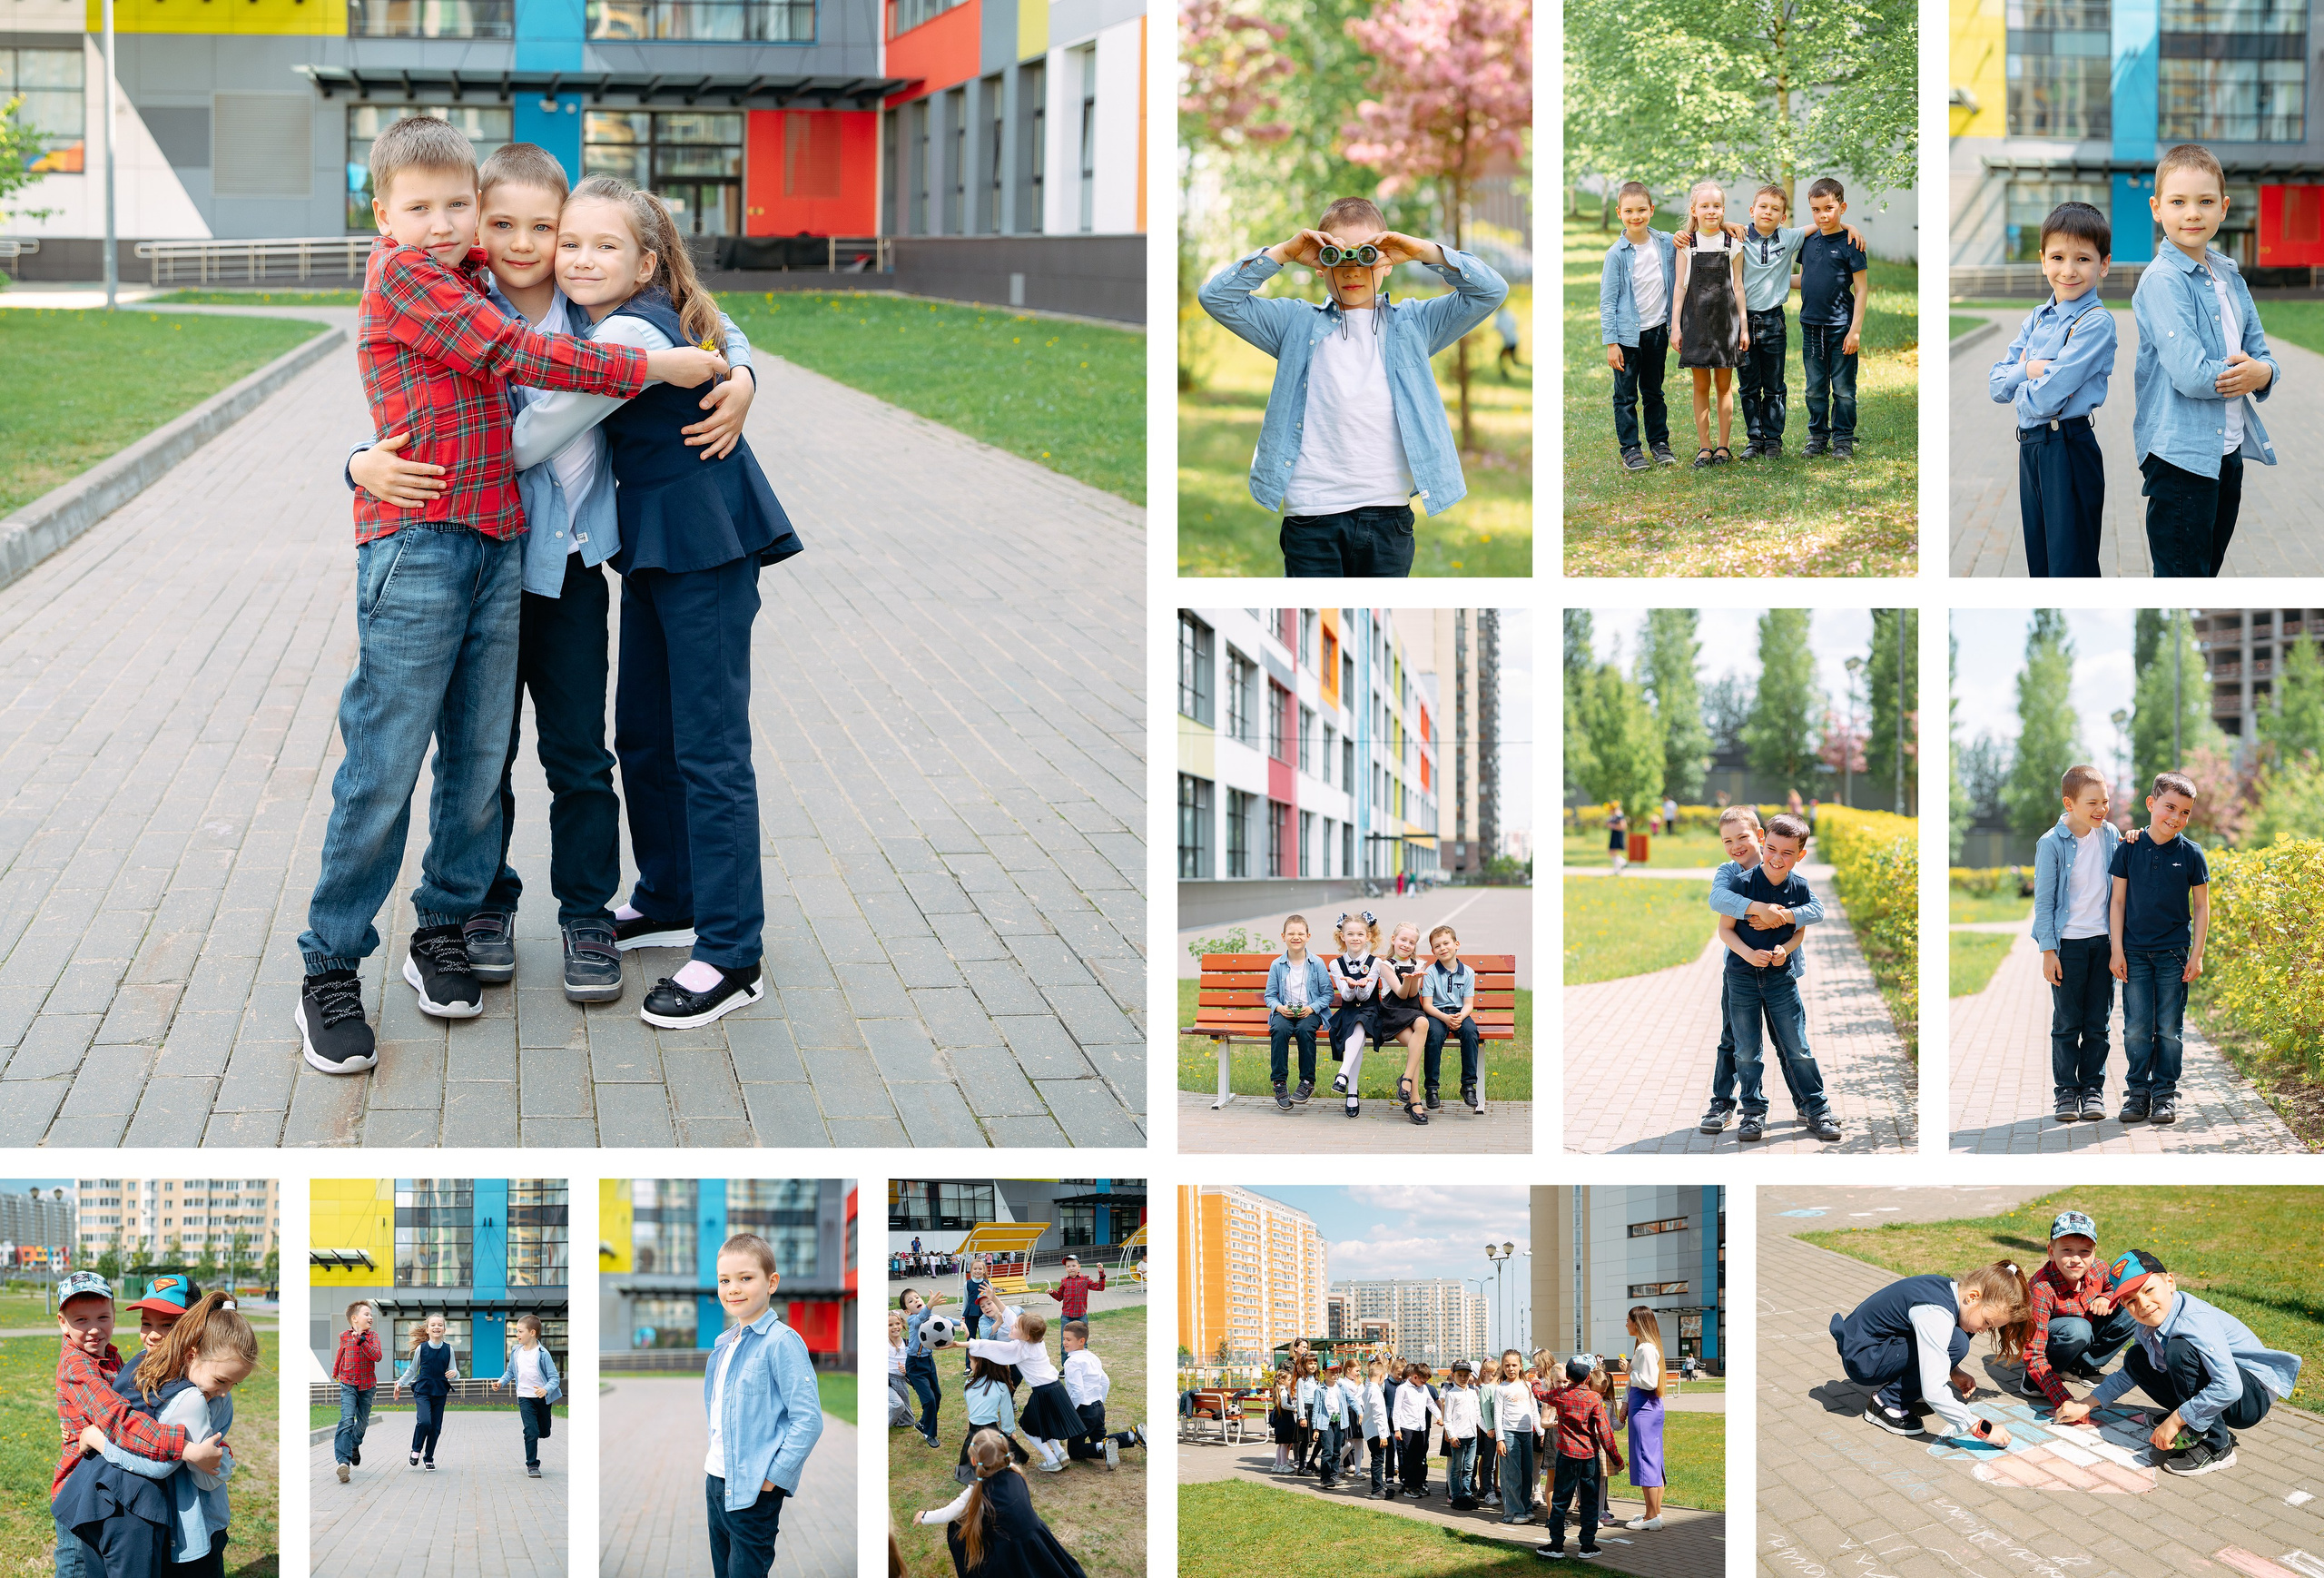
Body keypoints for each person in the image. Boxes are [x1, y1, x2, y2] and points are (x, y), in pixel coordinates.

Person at [293, 115, 724, 1074]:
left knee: (481, 756)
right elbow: (516, 358)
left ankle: (444, 926)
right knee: (387, 761)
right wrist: (652, 368)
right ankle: (329, 966)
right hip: (420, 543)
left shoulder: (478, 275)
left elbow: (673, 301)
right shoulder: (412, 277)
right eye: (425, 208)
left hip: (505, 544)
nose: (445, 224)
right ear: (382, 214)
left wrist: (742, 372)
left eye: (458, 207)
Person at [511, 176, 803, 1030]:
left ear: (646, 261)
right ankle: (670, 893)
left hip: (703, 545)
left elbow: (535, 435)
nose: (580, 259)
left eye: (605, 246)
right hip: (654, 550)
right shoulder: (616, 320)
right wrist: (743, 366)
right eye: (571, 243)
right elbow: (722, 333)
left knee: (708, 747)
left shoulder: (630, 333)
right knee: (643, 731)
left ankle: (732, 951)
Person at [1196, 196, 1509, 577]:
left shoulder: (1415, 323)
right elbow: (1217, 298)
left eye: (1367, 256)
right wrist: (1284, 253)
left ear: (1388, 262)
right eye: (1337, 256)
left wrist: (1425, 250)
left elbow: (1491, 291)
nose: (1351, 270)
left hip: (1388, 513)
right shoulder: (1294, 323)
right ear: (1319, 264)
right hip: (1312, 512)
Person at [2132, 143, 2280, 577]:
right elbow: (2191, 375)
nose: (2192, 213)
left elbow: (2263, 354)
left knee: (2206, 573)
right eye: (2178, 202)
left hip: (2226, 450)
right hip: (2181, 456)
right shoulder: (2163, 280)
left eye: (2205, 202)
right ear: (2157, 208)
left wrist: (2265, 372)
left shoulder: (2229, 275)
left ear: (2223, 208)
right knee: (2183, 576)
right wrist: (2251, 374)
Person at [59, 1290, 256, 1578]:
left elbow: (204, 1453)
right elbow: (148, 1448)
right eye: (147, 1323)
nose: (154, 1336)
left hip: (153, 1511)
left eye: (167, 1325)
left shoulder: (152, 1372)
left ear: (192, 1333)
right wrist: (199, 1455)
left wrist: (218, 1456)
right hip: (150, 1513)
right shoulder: (179, 1391)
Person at [2055, 1249, 2301, 1475]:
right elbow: (2130, 1373)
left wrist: (2176, 1420)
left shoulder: (2194, 1320)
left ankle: (2217, 1446)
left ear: (2170, 1282)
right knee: (2136, 1359)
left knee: (2180, 1352)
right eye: (2131, 1301)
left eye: (2148, 1290)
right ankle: (2194, 1420)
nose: (2143, 1304)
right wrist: (2087, 1404)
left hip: (2249, 1399)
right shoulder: (2146, 1325)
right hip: (2229, 1391)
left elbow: (2231, 1386)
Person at [1989, 202, 2116, 577]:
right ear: (2043, 260)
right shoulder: (2037, 317)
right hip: (2031, 449)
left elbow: (2045, 400)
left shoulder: (2096, 323)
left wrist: (2021, 383)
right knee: (2041, 567)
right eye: (2058, 257)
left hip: (2068, 450)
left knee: (2069, 568)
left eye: (2083, 259)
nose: (2069, 270)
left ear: (2103, 265)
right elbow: (1996, 385)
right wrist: (2028, 369)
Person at [702, 1233, 825, 1578]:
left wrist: (773, 1478)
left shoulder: (781, 1342)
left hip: (755, 1489)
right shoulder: (725, 1345)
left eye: (745, 1278)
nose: (733, 1289)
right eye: (725, 1280)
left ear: (771, 1283)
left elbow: (808, 1421)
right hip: (716, 1480)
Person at [1713, 814, 1842, 1142]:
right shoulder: (1736, 878)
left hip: (1781, 976)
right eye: (1728, 840)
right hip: (1741, 975)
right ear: (1765, 842)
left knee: (1794, 1045)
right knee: (1743, 1047)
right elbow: (1722, 919)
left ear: (1799, 856)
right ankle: (1748, 1111)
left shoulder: (1798, 885)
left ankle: (1815, 1107)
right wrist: (1758, 911)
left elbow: (1806, 924)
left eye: (1787, 853)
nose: (1776, 857)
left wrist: (1784, 925)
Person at [1830, 1262, 2031, 1442]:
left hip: (1870, 1346)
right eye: (1987, 1322)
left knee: (1958, 1338)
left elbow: (1931, 1341)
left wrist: (1954, 1371)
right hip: (1864, 1360)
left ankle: (1904, 1392)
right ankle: (1885, 1403)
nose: (1983, 1330)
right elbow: (1933, 1390)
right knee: (1958, 1341)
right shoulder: (1936, 1313)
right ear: (1973, 1297)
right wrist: (1980, 1428)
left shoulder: (1947, 1289)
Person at [2108, 771, 2209, 1124]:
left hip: (2173, 955)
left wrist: (2196, 955)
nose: (2176, 817)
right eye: (2170, 807)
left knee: (2169, 1028)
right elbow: (2117, 903)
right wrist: (2116, 950)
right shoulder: (2128, 848)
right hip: (2133, 954)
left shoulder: (2193, 854)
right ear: (2151, 804)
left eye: (2184, 812)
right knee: (2136, 1027)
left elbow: (2201, 907)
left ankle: (2164, 1093)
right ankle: (2137, 1093)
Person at [2033, 766, 2122, 1122]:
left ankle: (2093, 1090)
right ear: (2069, 803)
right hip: (2068, 946)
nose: (2101, 809)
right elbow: (2043, 903)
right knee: (2068, 1023)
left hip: (2103, 943)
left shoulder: (2110, 834)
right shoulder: (2051, 843)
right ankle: (2066, 1092)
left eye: (2105, 801)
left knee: (2098, 1024)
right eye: (2092, 803)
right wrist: (2048, 952)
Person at [914, 1428, 1088, 1578]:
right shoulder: (1015, 1472)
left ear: (974, 1461)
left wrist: (925, 1516)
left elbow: (950, 1512)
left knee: (957, 1528)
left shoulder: (977, 1491)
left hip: (1008, 1547)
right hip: (1035, 1536)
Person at [2017, 1210, 2136, 1405]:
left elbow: (2115, 1288)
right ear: (2051, 1252)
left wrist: (2107, 1297)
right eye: (2067, 1250)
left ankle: (2081, 1368)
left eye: (2084, 1252)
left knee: (2130, 1308)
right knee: (2078, 1329)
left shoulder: (2099, 1268)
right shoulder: (2042, 1288)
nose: (2076, 1259)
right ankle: (2037, 1381)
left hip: (2082, 1330)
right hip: (2052, 1343)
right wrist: (2064, 1399)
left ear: (2094, 1253)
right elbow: (2033, 1352)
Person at [1668, 180, 1748, 468]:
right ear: (1694, 209)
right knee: (1700, 386)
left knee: (1724, 386)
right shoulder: (1686, 244)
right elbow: (1679, 287)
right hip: (1695, 323)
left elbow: (1738, 287)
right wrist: (1675, 327)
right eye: (1704, 206)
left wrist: (1745, 327)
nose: (1710, 211)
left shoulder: (1733, 243)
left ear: (1723, 209)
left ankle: (1724, 447)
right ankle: (1705, 447)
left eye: (1716, 206)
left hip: (1726, 323)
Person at [1600, 182, 1678, 471]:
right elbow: (1607, 302)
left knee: (1654, 391)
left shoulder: (1666, 242)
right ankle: (1631, 449)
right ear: (1619, 213)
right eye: (1629, 211)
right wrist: (1611, 342)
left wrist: (1728, 223)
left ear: (1652, 210)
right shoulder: (1616, 254)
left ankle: (1659, 444)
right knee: (1625, 395)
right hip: (1626, 337)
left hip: (1657, 331)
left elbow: (1698, 234)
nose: (1636, 216)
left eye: (1642, 210)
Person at [1797, 178, 1870, 459]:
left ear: (1843, 207)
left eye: (1828, 208)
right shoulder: (1808, 240)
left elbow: (1862, 290)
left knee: (1843, 389)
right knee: (1815, 388)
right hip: (1811, 327)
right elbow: (1803, 280)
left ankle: (1842, 439)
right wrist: (1766, 282)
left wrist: (1855, 331)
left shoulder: (1853, 243)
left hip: (1841, 327)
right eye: (1815, 210)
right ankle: (1817, 437)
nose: (1822, 215)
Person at [965, 1310, 1076, 1474]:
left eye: (1016, 1326)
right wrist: (994, 1298)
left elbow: (994, 1346)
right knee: (1045, 1423)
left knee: (1027, 1427)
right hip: (1056, 1387)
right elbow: (1012, 1318)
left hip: (1042, 1391)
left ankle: (1051, 1459)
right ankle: (1060, 1452)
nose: (1011, 1325)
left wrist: (963, 1344)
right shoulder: (1037, 1342)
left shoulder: (1020, 1349)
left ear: (1026, 1335)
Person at [1536, 1356, 1623, 1561]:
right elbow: (1605, 1433)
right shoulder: (1594, 1398)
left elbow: (1540, 1394)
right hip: (1589, 1456)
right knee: (1590, 1500)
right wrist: (1616, 1458)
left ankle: (1556, 1545)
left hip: (1566, 1455)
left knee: (1560, 1500)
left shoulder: (1560, 1394)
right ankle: (1587, 1546)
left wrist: (1533, 1381)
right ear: (1588, 1377)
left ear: (1567, 1376)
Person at [1267, 914, 1332, 1110]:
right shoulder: (1277, 965)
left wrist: (1311, 1008)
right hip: (1285, 1011)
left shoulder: (1317, 963)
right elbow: (1269, 996)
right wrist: (1279, 1008)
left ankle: (1307, 1082)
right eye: (1291, 934)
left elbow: (1327, 994)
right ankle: (1279, 1083)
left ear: (1308, 936)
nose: (1296, 937)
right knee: (1279, 1029)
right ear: (1283, 936)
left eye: (1300, 933)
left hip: (1309, 1011)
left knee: (1305, 1030)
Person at [1327, 912, 1387, 1118]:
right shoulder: (1336, 964)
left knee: (1361, 1022)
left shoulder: (1376, 963)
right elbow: (1346, 996)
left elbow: (1367, 994)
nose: (1355, 938)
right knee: (1357, 1028)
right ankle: (1351, 1090)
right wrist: (1351, 987)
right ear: (1342, 937)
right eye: (1350, 934)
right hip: (1348, 1010)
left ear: (1368, 937)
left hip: (1370, 1010)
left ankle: (1343, 1075)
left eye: (1360, 934)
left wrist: (1360, 986)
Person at [1059, 1321, 1140, 1470]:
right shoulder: (1092, 1357)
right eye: (1063, 1338)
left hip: (1083, 1411)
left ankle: (1101, 1447)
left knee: (1074, 1451)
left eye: (1068, 1339)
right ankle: (1131, 1436)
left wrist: (1070, 1413)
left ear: (1081, 1341)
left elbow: (1077, 1391)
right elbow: (1105, 1381)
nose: (1064, 1342)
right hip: (1098, 1408)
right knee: (1101, 1439)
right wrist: (1099, 1400)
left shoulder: (1072, 1362)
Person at [1421, 924, 1484, 1115]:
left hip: (1459, 1013)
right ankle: (1431, 1088)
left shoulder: (1468, 972)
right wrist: (1445, 1018)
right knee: (1434, 1035)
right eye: (1437, 946)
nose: (1443, 948)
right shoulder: (1430, 972)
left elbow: (1468, 1003)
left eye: (1446, 943)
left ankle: (1468, 1086)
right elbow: (1427, 1005)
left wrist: (1460, 1017)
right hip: (1436, 1014)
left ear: (1456, 944)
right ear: (1433, 951)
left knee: (1470, 1032)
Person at [488, 1314, 561, 1479]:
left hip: (542, 1399)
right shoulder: (516, 1351)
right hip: (524, 1397)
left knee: (543, 1431)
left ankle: (541, 1432)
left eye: (520, 1331)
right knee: (530, 1430)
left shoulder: (543, 1354)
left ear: (533, 1332)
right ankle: (532, 1464)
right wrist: (501, 1382)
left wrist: (546, 1389)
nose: (517, 1335)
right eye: (516, 1331)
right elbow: (510, 1372)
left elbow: (554, 1378)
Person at [1378, 922, 1433, 1125]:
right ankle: (1415, 1100)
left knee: (1423, 1024)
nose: (1407, 945)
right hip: (1392, 1013)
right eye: (1403, 940)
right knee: (1415, 1049)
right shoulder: (1386, 965)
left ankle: (1406, 1079)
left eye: (1411, 942)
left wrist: (1413, 979)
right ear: (1393, 940)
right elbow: (1400, 993)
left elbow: (1412, 994)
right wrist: (1408, 979)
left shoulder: (1419, 963)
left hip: (1412, 1010)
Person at [392, 1315, 459, 1469]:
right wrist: (400, 1383)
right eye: (433, 1325)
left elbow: (454, 1370)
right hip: (423, 1390)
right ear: (428, 1329)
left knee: (436, 1427)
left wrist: (455, 1373)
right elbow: (412, 1370)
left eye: (440, 1325)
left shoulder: (449, 1349)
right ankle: (416, 1450)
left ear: (444, 1329)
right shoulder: (421, 1348)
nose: (437, 1327)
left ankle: (429, 1457)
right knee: (424, 1421)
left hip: (440, 1391)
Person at [1621, 1309, 1667, 1532]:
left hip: (1644, 1410)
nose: (1626, 1324)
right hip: (1649, 1407)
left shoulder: (1645, 1348)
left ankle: (1651, 1516)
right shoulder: (1648, 1346)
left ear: (1637, 1323)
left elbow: (1647, 1381)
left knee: (1645, 1459)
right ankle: (1654, 1512)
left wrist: (1629, 1370)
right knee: (1653, 1460)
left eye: (1628, 1321)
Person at [329, 1302, 382, 1484]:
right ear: (354, 1318)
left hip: (367, 1386)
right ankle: (343, 1462)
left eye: (371, 1315)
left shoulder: (373, 1336)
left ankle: (354, 1445)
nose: (370, 1317)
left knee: (363, 1422)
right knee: (346, 1419)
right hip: (348, 1384)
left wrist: (362, 1341)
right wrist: (336, 1370)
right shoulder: (344, 1336)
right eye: (366, 1314)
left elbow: (377, 1356)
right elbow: (340, 1353)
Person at [1491, 1349, 1540, 1525]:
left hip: (1527, 1434)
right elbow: (1497, 1415)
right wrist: (1500, 1439)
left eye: (1514, 1365)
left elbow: (1534, 1411)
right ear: (1502, 1367)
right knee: (1512, 1474)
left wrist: (1540, 1432)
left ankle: (1526, 1507)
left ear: (1521, 1366)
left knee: (1527, 1473)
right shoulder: (1501, 1389)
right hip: (1509, 1434)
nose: (1511, 1369)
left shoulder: (1527, 1386)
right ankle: (1513, 1512)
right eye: (1507, 1365)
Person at [899, 1289, 944, 1450]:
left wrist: (962, 1323)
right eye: (910, 1301)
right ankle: (929, 1433)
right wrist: (930, 1305)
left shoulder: (928, 1316)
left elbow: (942, 1319)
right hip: (915, 1365)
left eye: (917, 1297)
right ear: (906, 1311)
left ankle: (923, 1423)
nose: (916, 1300)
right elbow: (921, 1318)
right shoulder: (913, 1320)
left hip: (928, 1361)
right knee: (929, 1400)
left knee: (937, 1395)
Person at [1391, 1362, 1441, 1498]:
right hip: (1407, 1428)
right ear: (1415, 1376)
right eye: (1423, 1380)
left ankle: (1419, 1485)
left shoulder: (1423, 1388)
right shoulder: (1403, 1389)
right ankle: (1409, 1487)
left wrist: (1439, 1416)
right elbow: (1397, 1410)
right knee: (1409, 1458)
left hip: (1421, 1427)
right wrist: (1397, 1429)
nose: (1425, 1383)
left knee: (1420, 1458)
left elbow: (1431, 1403)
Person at [1443, 1360, 1482, 1509]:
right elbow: (1448, 1419)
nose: (1463, 1378)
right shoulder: (1451, 1395)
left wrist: (1488, 1430)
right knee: (1456, 1468)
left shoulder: (1473, 1393)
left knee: (1469, 1467)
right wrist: (1452, 1435)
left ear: (1470, 1376)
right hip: (1458, 1437)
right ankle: (1456, 1495)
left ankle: (1466, 1494)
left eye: (1466, 1375)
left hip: (1472, 1437)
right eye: (1460, 1375)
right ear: (1453, 1375)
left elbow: (1478, 1416)